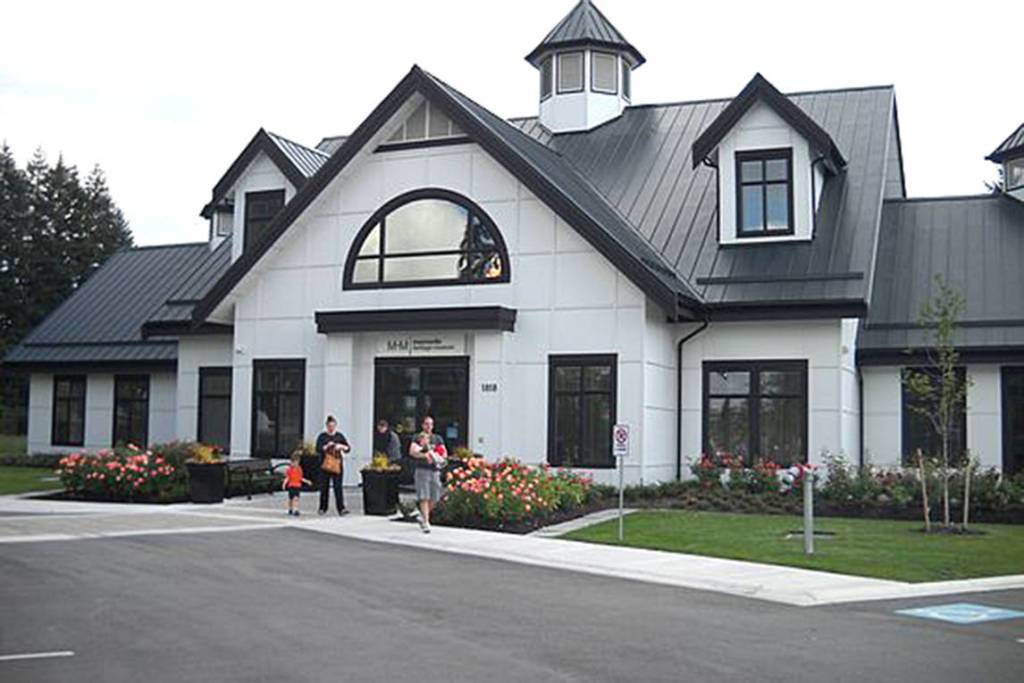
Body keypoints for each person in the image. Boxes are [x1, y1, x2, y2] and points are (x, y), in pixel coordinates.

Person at [408, 415, 446, 533]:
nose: (429, 426)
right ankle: (426, 522)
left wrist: (438, 457)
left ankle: (422, 516)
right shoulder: (417, 437)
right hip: (422, 470)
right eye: (427, 424)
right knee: (424, 496)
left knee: (435, 497)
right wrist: (425, 455)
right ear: (423, 425)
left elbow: (444, 453)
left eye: (431, 424)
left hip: (435, 470)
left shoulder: (437, 438)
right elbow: (412, 452)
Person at [316, 415, 350, 516]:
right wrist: (326, 447)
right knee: (324, 487)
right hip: (325, 465)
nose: (331, 428)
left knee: (338, 487)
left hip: (337, 464)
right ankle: (322, 507)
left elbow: (348, 448)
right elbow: (317, 449)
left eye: (333, 426)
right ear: (326, 426)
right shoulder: (322, 436)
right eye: (329, 426)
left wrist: (342, 447)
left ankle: (341, 508)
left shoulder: (339, 436)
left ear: (335, 426)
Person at [282, 451, 312, 516]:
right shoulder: (289, 470)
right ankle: (290, 508)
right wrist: (284, 484)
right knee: (291, 499)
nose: (295, 464)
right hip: (291, 486)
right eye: (293, 462)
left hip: (297, 486)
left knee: (296, 498)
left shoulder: (299, 469)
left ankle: (296, 509)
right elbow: (287, 478)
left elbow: (300, 478)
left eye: (297, 462)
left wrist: (307, 481)